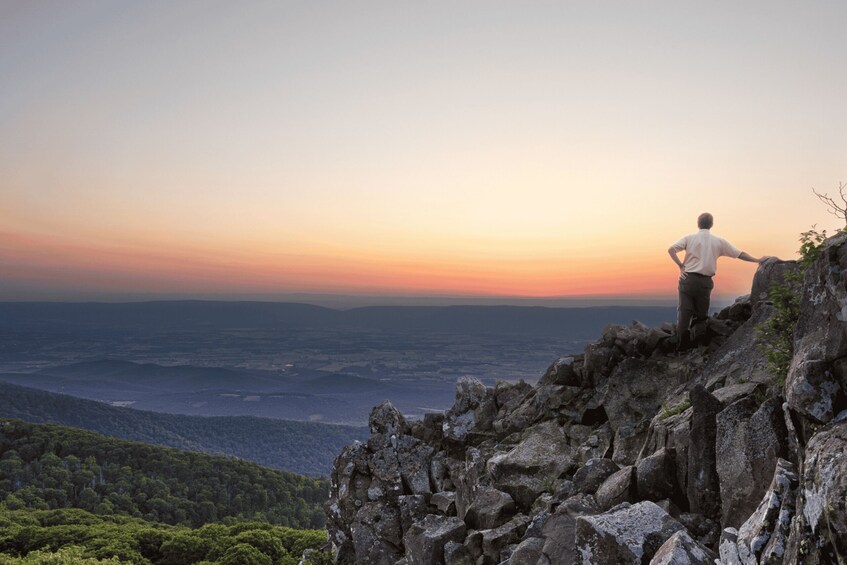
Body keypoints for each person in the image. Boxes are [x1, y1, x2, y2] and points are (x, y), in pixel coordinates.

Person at [668, 212, 769, 350]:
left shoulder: (689, 238)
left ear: (698, 223)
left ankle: (681, 347)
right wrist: (757, 260)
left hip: (688, 279)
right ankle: (698, 346)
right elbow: (740, 254)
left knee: (684, 312)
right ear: (711, 224)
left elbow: (671, 249)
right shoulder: (719, 241)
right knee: (701, 314)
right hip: (705, 282)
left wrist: (680, 265)